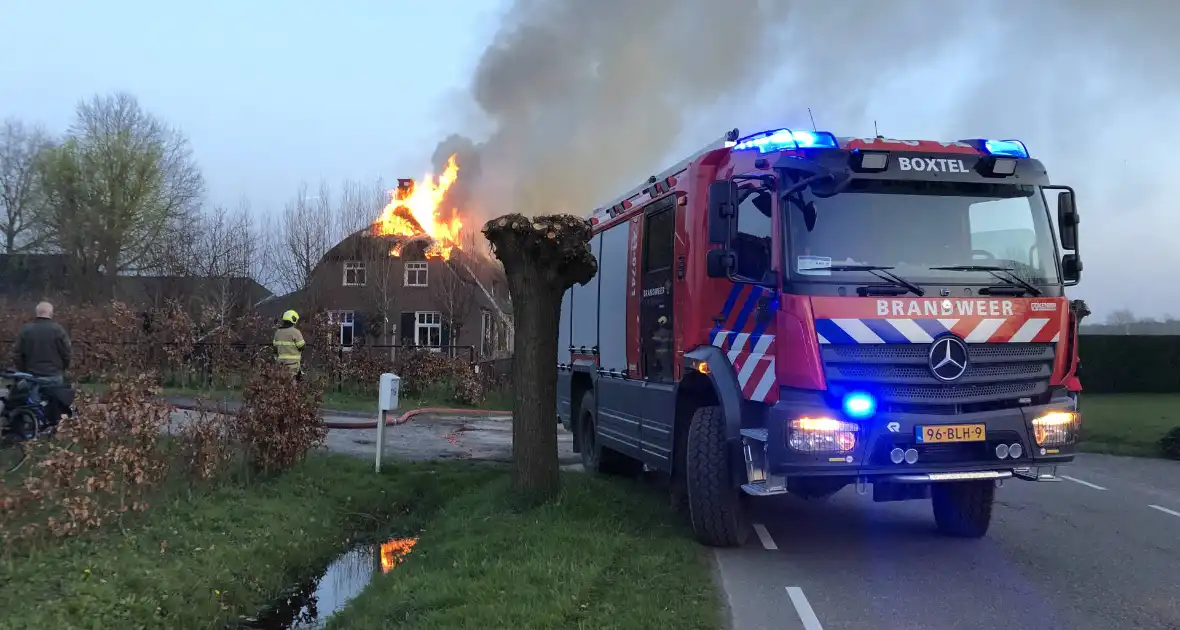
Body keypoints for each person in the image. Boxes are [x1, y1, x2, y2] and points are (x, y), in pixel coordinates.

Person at [10, 301, 73, 423]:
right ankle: (54, 419)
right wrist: (63, 368)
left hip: (32, 377)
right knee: (58, 396)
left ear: (37, 313)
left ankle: (31, 421)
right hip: (54, 377)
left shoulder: (26, 330)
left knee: (24, 394)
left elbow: (17, 354)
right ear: (51, 313)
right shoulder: (58, 330)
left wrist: (23, 370)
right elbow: (67, 353)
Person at [272, 309, 306, 379]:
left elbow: (275, 348)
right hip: (293, 365)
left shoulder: (277, 332)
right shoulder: (296, 332)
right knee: (292, 385)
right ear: (294, 320)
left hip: (281, 365)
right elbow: (302, 347)